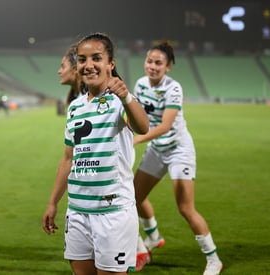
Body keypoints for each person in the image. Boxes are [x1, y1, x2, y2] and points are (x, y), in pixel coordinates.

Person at [42, 32, 149, 275]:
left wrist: (126, 96)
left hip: (113, 214)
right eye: (82, 59)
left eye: (96, 58)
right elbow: (68, 158)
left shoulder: (119, 100)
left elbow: (143, 127)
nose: (88, 65)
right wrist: (52, 202)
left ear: (110, 64)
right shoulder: (76, 107)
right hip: (78, 210)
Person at [132, 41, 223, 275]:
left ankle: (213, 259)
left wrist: (136, 140)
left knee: (185, 208)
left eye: (158, 63)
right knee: (132, 197)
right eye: (149, 61)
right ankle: (153, 236)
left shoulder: (174, 88)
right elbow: (136, 116)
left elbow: (164, 126)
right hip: (156, 149)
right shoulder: (141, 85)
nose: (152, 66)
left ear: (168, 67)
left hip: (178, 150)